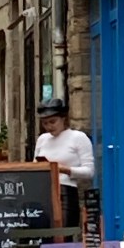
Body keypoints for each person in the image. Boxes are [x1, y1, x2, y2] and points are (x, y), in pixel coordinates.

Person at [34, 98, 95, 228]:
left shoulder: (78, 137)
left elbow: (89, 171)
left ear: (63, 119)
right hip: (43, 192)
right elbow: (34, 166)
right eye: (45, 123)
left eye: (53, 122)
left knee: (63, 232)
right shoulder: (42, 139)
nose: (49, 126)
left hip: (66, 191)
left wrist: (65, 169)